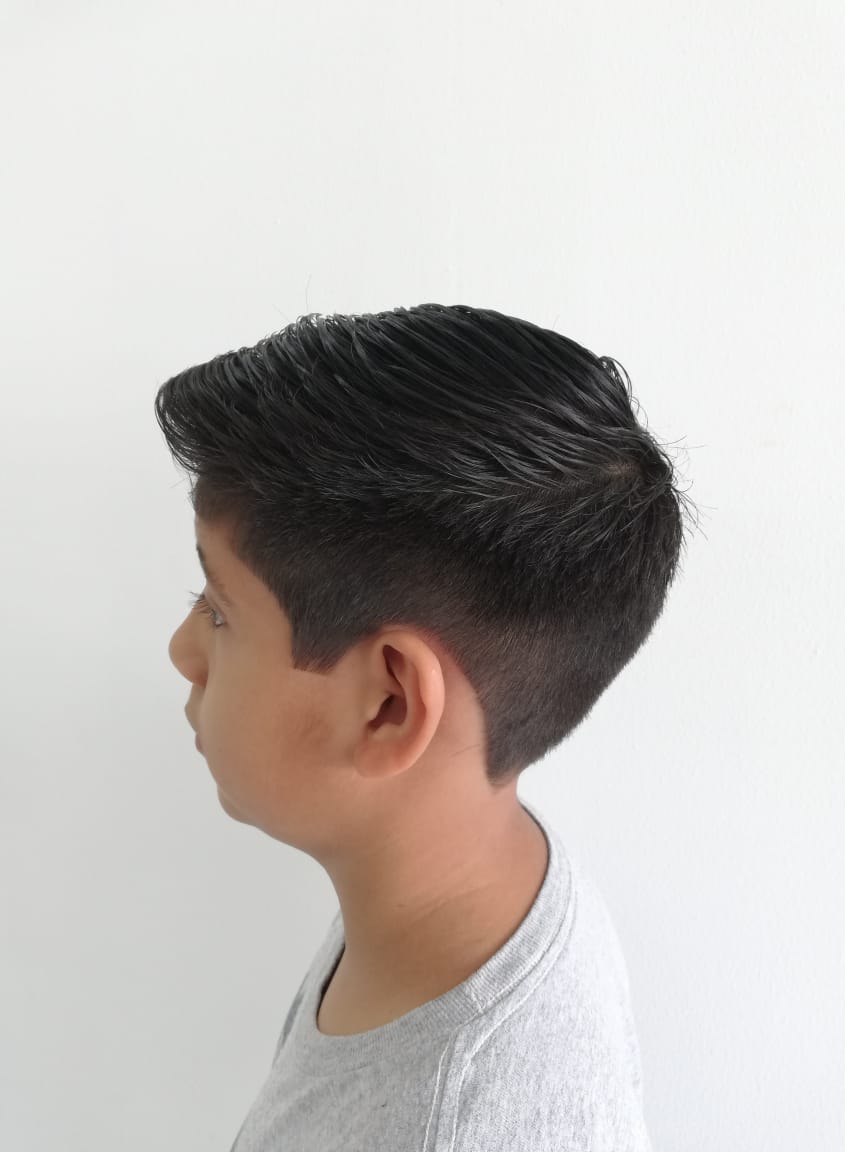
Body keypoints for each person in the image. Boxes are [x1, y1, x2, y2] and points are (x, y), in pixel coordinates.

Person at [158, 304, 694, 1150]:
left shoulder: (453, 1122)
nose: (182, 651)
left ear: (389, 706)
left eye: (220, 611)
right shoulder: (467, 869)